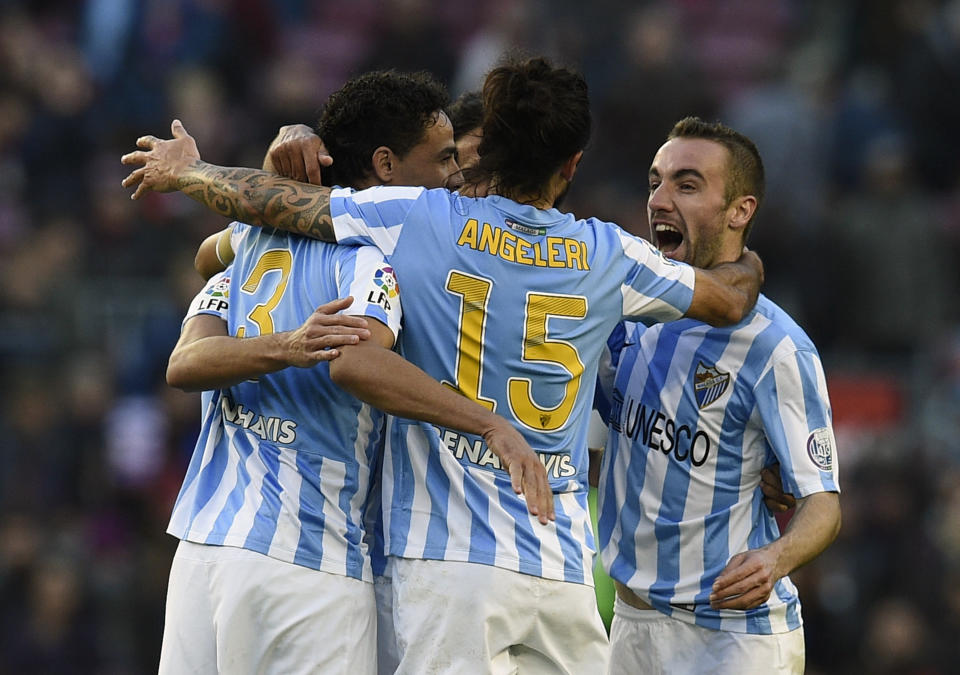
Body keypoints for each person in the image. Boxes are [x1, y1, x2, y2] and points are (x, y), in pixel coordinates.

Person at [122, 57, 764, 673]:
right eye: (445, 158)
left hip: (436, 561)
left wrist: (194, 172)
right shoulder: (608, 251)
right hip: (559, 563)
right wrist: (748, 261)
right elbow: (730, 298)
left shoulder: (410, 222)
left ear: (487, 155)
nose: (452, 172)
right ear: (571, 165)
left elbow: (260, 221)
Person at [154, 70, 553, 675]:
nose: (454, 177)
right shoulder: (374, 264)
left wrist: (272, 164)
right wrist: (490, 424)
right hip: (309, 561)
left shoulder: (252, 240)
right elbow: (358, 364)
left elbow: (190, 344)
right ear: (387, 166)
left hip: (203, 549)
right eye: (445, 158)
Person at [594, 117, 841, 674]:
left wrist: (774, 559)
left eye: (686, 184)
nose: (658, 199)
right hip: (631, 628)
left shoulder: (777, 347)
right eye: (654, 181)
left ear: (740, 210)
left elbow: (823, 504)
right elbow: (597, 450)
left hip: (733, 640)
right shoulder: (627, 317)